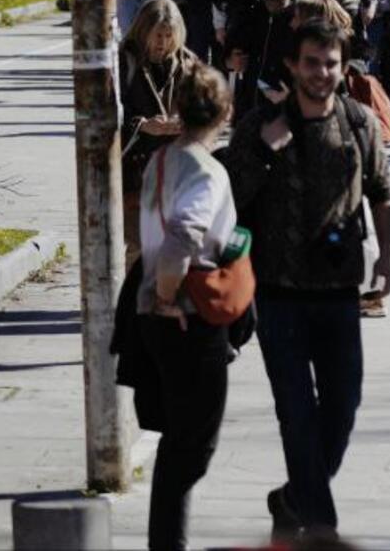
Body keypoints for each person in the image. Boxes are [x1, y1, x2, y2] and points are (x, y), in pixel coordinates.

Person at [223, 19, 390, 538]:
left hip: (340, 293)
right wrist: (264, 153)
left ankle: (293, 498)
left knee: (342, 409)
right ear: (293, 66)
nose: (322, 72)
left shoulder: (360, 122)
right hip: (278, 295)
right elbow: (229, 193)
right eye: (312, 62)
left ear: (342, 68)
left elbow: (381, 191)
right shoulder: (260, 126)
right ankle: (321, 529)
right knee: (297, 415)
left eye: (331, 63)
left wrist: (386, 258)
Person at [135, 62, 240, 551]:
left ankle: (166, 539)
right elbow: (182, 238)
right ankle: (168, 543)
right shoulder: (208, 171)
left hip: (153, 313)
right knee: (194, 445)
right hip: (188, 314)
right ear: (225, 112)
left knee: (178, 438)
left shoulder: (161, 159)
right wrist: (166, 297)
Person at [119, 0, 200, 267]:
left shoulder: (188, 63)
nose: (162, 43)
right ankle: (135, 303)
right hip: (135, 170)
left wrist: (185, 122)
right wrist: (141, 124)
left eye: (168, 36)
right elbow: (108, 113)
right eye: (157, 35)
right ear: (144, 31)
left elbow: (207, 111)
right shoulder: (124, 61)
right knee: (138, 245)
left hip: (176, 170)